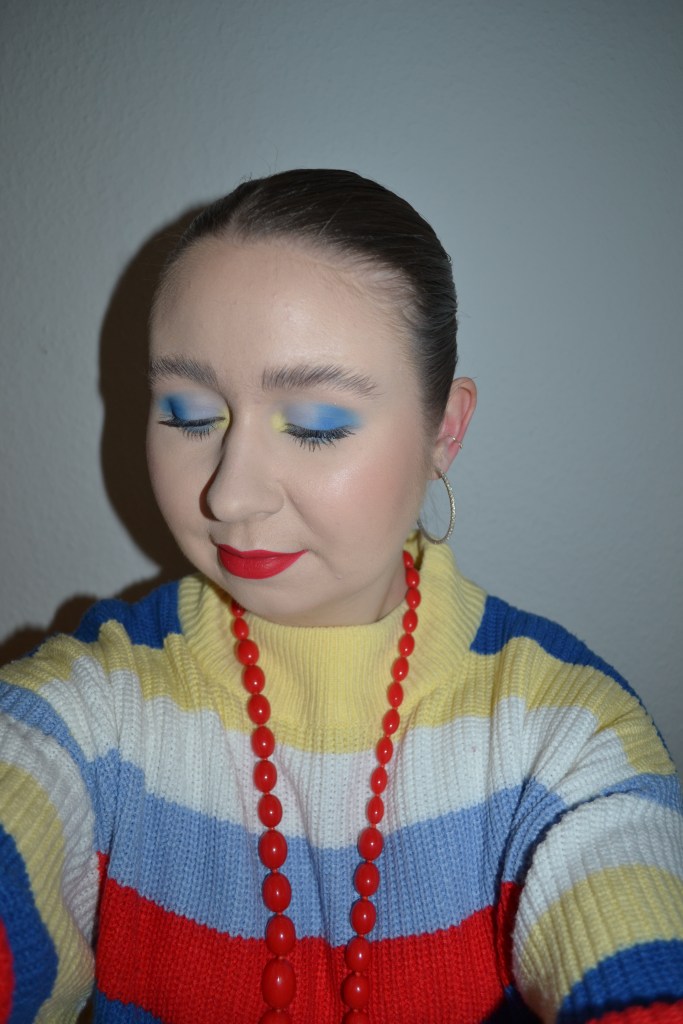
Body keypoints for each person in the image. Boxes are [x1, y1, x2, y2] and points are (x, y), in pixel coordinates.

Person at [1, 169, 681, 1024]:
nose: (229, 495)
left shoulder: (569, 735)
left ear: (444, 430)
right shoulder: (92, 702)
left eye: (315, 425)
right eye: (187, 412)